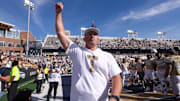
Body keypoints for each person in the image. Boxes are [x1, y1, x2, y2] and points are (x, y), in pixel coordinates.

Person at [55, 2, 122, 101]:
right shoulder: (77, 51)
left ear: (98, 39)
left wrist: (114, 97)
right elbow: (60, 33)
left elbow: (116, 78)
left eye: (95, 34)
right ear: (84, 38)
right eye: (89, 34)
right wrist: (58, 14)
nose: (92, 36)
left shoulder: (107, 56)